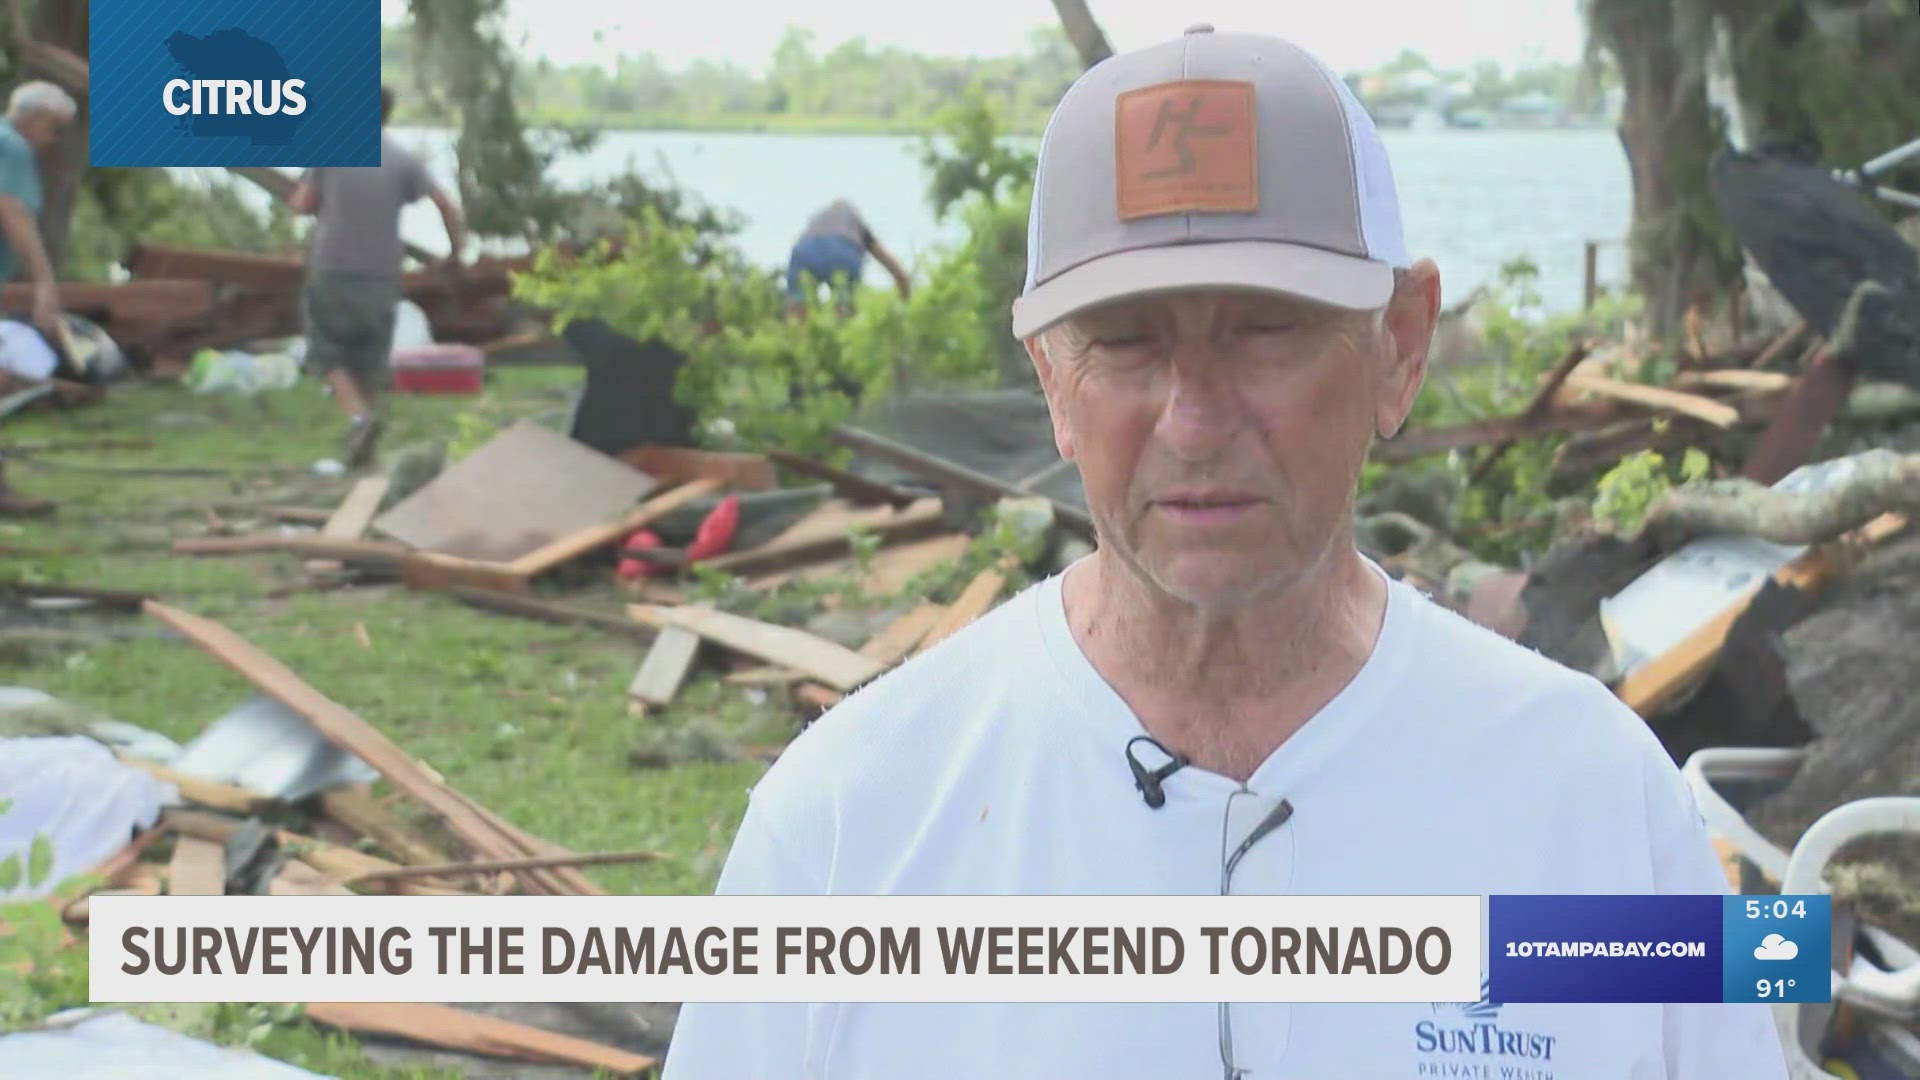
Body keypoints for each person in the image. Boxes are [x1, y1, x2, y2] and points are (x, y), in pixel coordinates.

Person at [662, 26, 1790, 1080]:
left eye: (1265, 329)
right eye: (1126, 340)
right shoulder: (852, 822)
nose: (1194, 421)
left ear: (1400, 345)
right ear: (1052, 378)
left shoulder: (1598, 803)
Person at [288, 85, 464, 469]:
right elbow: (446, 205)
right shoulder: (403, 160)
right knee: (368, 358)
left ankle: (360, 419)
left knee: (326, 350)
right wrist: (455, 251)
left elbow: (302, 204)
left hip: (332, 268)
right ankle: (363, 445)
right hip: (382, 274)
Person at [0, 80, 75, 517]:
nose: (54, 140)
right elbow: (11, 209)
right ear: (32, 117)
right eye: (53, 128)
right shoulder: (10, 146)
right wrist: (46, 281)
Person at [784, 198, 911, 316]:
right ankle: (843, 330)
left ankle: (796, 336)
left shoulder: (816, 224)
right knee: (844, 313)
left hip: (803, 252)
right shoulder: (857, 226)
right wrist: (905, 301)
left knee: (797, 311)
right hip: (843, 252)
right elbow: (895, 269)